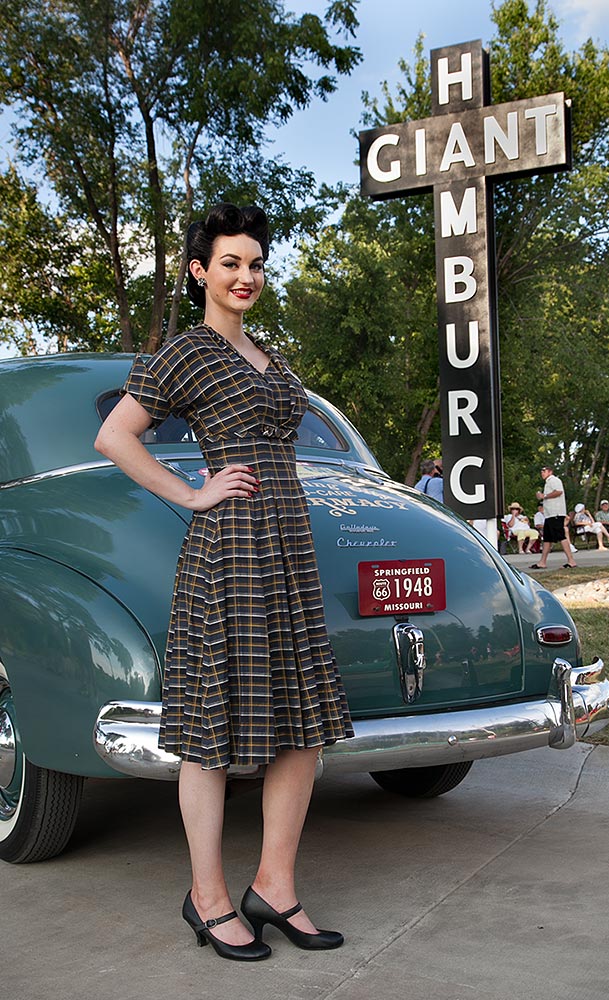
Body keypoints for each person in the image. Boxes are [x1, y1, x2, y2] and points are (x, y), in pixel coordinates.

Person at [95, 203, 352, 961]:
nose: (247, 276)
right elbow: (115, 435)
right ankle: (206, 898)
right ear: (199, 271)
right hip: (228, 552)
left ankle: (274, 887)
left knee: (301, 726)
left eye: (256, 263)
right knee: (211, 733)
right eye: (231, 263)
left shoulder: (267, 353)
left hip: (289, 552)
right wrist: (191, 493)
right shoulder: (187, 352)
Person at [530, 464, 577, 569]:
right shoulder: (548, 483)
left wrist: (544, 496)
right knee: (547, 538)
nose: (542, 473)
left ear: (550, 472)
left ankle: (571, 561)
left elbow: (559, 492)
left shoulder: (554, 480)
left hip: (556, 514)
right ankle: (542, 562)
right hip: (549, 515)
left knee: (561, 535)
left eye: (544, 471)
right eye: (541, 471)